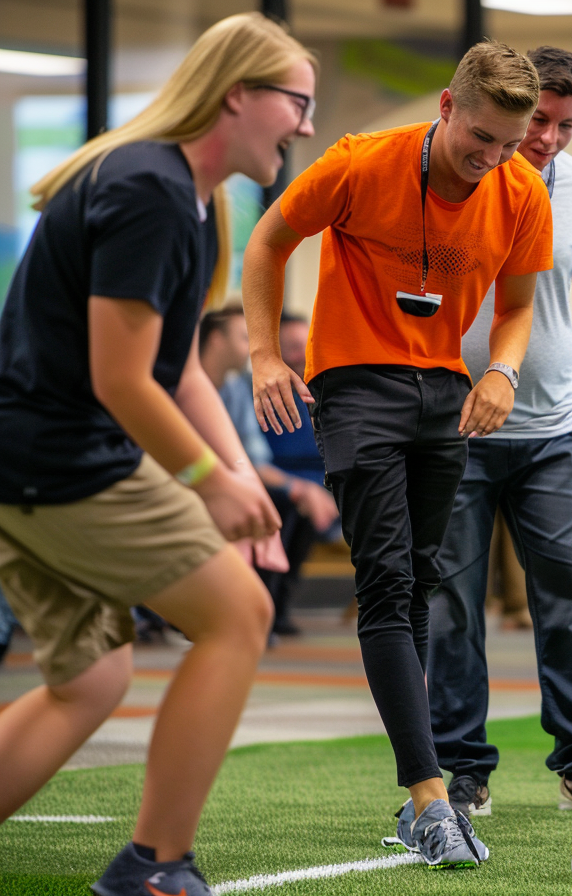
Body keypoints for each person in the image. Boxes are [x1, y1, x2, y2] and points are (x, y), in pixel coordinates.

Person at [0, 14, 312, 895]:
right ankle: (154, 866)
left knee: (91, 681)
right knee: (239, 615)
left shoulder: (188, 194)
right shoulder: (148, 189)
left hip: (36, 457)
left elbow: (174, 371)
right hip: (59, 464)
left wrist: (242, 477)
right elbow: (121, 378)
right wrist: (209, 483)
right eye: (297, 102)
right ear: (237, 97)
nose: (307, 124)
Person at [242, 39, 552, 868]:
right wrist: (266, 355)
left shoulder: (521, 190)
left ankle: (423, 794)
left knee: (420, 581)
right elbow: (268, 243)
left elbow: (517, 305)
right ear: (446, 108)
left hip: (447, 393)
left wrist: (504, 370)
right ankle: (429, 794)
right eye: (479, 140)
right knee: (385, 578)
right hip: (355, 387)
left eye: (508, 146)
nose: (491, 160)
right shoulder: (358, 163)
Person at [426, 44, 572, 821]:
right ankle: (464, 769)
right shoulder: (463, 172)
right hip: (458, 426)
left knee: (565, 599)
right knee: (452, 602)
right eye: (540, 120)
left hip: (552, 430)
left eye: (567, 125)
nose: (549, 138)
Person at [199, 306, 339, 635]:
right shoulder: (243, 389)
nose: (298, 354)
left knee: (299, 508)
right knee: (281, 508)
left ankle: (273, 608)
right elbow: (250, 458)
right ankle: (262, 608)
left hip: (307, 483)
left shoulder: (321, 391)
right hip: (260, 481)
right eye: (288, 346)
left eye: (303, 346)